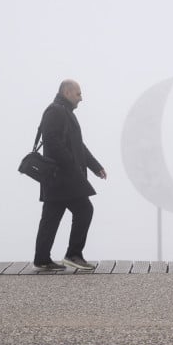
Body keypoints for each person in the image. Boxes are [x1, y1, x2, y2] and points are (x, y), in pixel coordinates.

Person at [33, 79, 107, 271]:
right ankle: (73, 254)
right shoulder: (56, 111)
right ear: (67, 92)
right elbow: (51, 141)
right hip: (63, 176)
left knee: (51, 217)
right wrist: (72, 165)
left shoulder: (64, 112)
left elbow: (78, 146)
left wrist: (94, 166)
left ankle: (41, 259)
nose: (81, 98)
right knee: (84, 210)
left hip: (59, 178)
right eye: (78, 94)